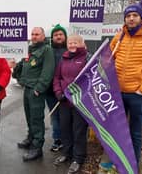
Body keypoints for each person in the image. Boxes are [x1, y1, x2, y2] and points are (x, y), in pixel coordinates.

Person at [100, 4, 142, 170]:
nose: (131, 18)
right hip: (117, 93)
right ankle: (113, 160)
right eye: (128, 16)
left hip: (138, 95)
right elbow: (107, 60)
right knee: (114, 130)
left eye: (135, 15)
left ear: (141, 18)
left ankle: (132, 165)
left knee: (135, 133)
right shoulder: (119, 36)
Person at [14, 27, 55, 161]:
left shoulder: (46, 50)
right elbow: (22, 68)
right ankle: (31, 138)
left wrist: (40, 87)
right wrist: (15, 67)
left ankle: (37, 148)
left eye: (37, 34)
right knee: (29, 116)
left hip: (36, 90)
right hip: (27, 88)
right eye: (32, 34)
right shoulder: (29, 50)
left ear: (43, 36)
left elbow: (48, 70)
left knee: (36, 118)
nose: (34, 36)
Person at [53, 35, 88, 173]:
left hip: (80, 102)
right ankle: (66, 153)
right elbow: (57, 77)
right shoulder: (63, 58)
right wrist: (58, 92)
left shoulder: (87, 58)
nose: (72, 45)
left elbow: (91, 80)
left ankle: (78, 158)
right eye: (70, 43)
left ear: (81, 44)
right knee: (65, 128)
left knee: (78, 131)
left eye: (75, 42)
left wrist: (82, 95)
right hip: (64, 101)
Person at [46, 24, 67, 152]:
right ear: (52, 37)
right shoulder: (48, 51)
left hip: (66, 91)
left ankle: (67, 139)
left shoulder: (70, 49)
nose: (58, 37)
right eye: (56, 35)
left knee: (66, 116)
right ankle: (57, 139)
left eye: (60, 34)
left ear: (64, 36)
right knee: (55, 116)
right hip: (50, 91)